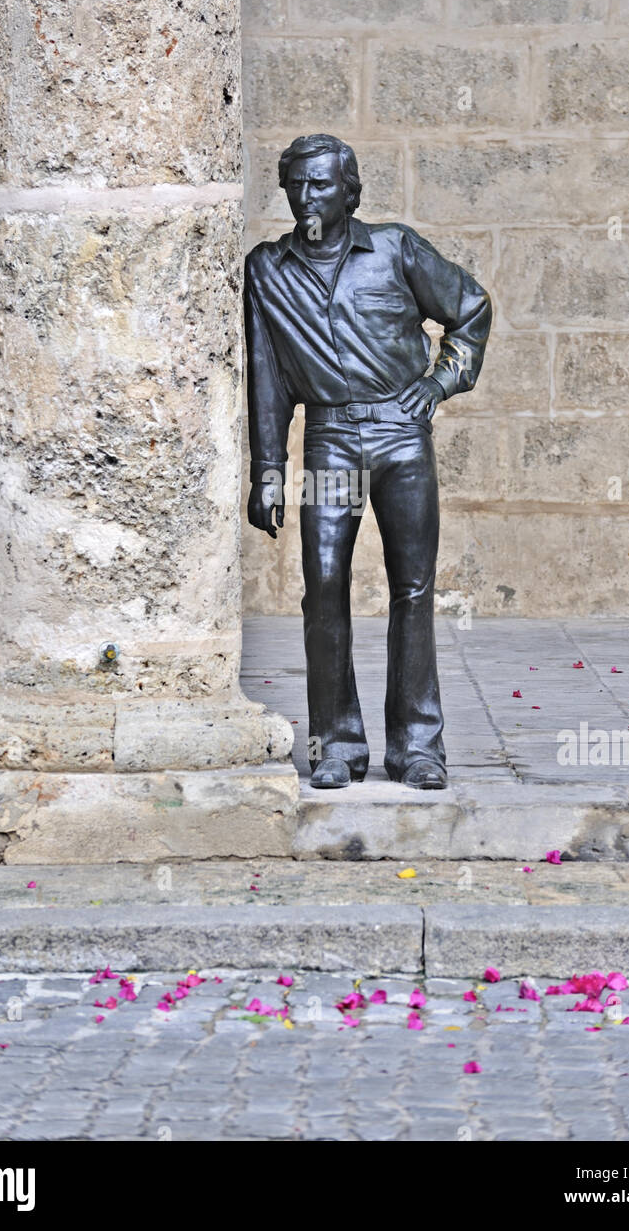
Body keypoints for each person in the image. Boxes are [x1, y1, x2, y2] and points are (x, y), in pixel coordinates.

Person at [244, 134, 491, 790]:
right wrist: (267, 470)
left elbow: (469, 309)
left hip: (400, 437)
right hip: (328, 439)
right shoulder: (267, 269)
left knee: (412, 588)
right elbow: (266, 377)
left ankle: (416, 746)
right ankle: (337, 744)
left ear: (350, 191)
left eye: (321, 184)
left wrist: (438, 385)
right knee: (322, 586)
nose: (306, 196)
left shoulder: (394, 248)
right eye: (296, 184)